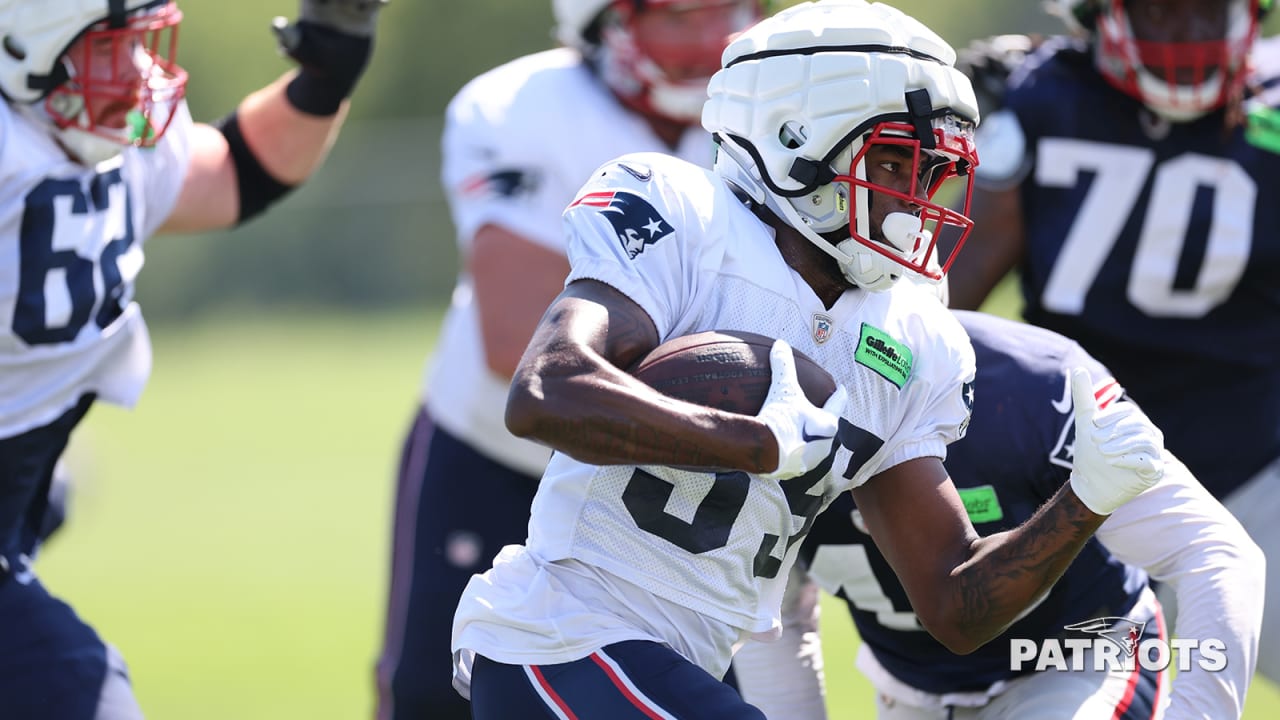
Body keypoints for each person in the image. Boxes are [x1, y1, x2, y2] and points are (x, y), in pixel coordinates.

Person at [449, 1, 1169, 717]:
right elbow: (546, 390)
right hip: (561, 637)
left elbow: (954, 603)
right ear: (793, 138)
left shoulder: (912, 333)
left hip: (673, 665)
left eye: (929, 175)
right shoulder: (688, 217)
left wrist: (1083, 502)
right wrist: (752, 440)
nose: (912, 202)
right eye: (892, 161)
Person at [373, 2, 763, 718]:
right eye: (679, 16)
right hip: (498, 452)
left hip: (668, 486)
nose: (714, 41)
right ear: (603, 24)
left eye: (729, 10)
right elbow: (517, 339)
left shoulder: (776, 121)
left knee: (696, 695)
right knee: (433, 697)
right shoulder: (521, 106)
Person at [0, 0, 385, 716]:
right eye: (115, 45)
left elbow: (231, 171)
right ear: (29, 43)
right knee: (80, 692)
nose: (141, 70)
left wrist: (324, 75)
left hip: (19, 479)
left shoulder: (95, 128)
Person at [943, 0, 1280, 686]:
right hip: (1073, 473)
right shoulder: (1042, 95)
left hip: (1253, 460)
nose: (1185, 35)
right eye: (1161, 11)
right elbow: (950, 293)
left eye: (1207, 13)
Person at [733, 309, 1266, 720]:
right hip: (908, 691)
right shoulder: (756, 406)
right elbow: (770, 622)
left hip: (1076, 662)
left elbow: (1216, 553)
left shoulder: (1035, 384)